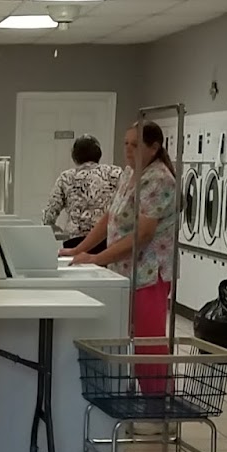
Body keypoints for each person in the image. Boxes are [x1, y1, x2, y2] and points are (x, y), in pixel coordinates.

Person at [71, 119, 180, 385]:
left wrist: (96, 258)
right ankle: (144, 396)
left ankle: (158, 403)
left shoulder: (158, 179)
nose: (128, 150)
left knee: (148, 343)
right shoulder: (129, 173)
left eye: (135, 145)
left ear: (154, 147)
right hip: (124, 271)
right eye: (126, 144)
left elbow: (143, 235)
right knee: (130, 337)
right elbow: (111, 217)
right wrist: (77, 249)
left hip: (148, 273)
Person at [43, 136, 120, 247]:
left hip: (75, 240)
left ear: (75, 156)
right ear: (99, 154)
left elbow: (49, 213)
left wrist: (52, 229)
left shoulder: (66, 177)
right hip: (106, 239)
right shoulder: (114, 173)